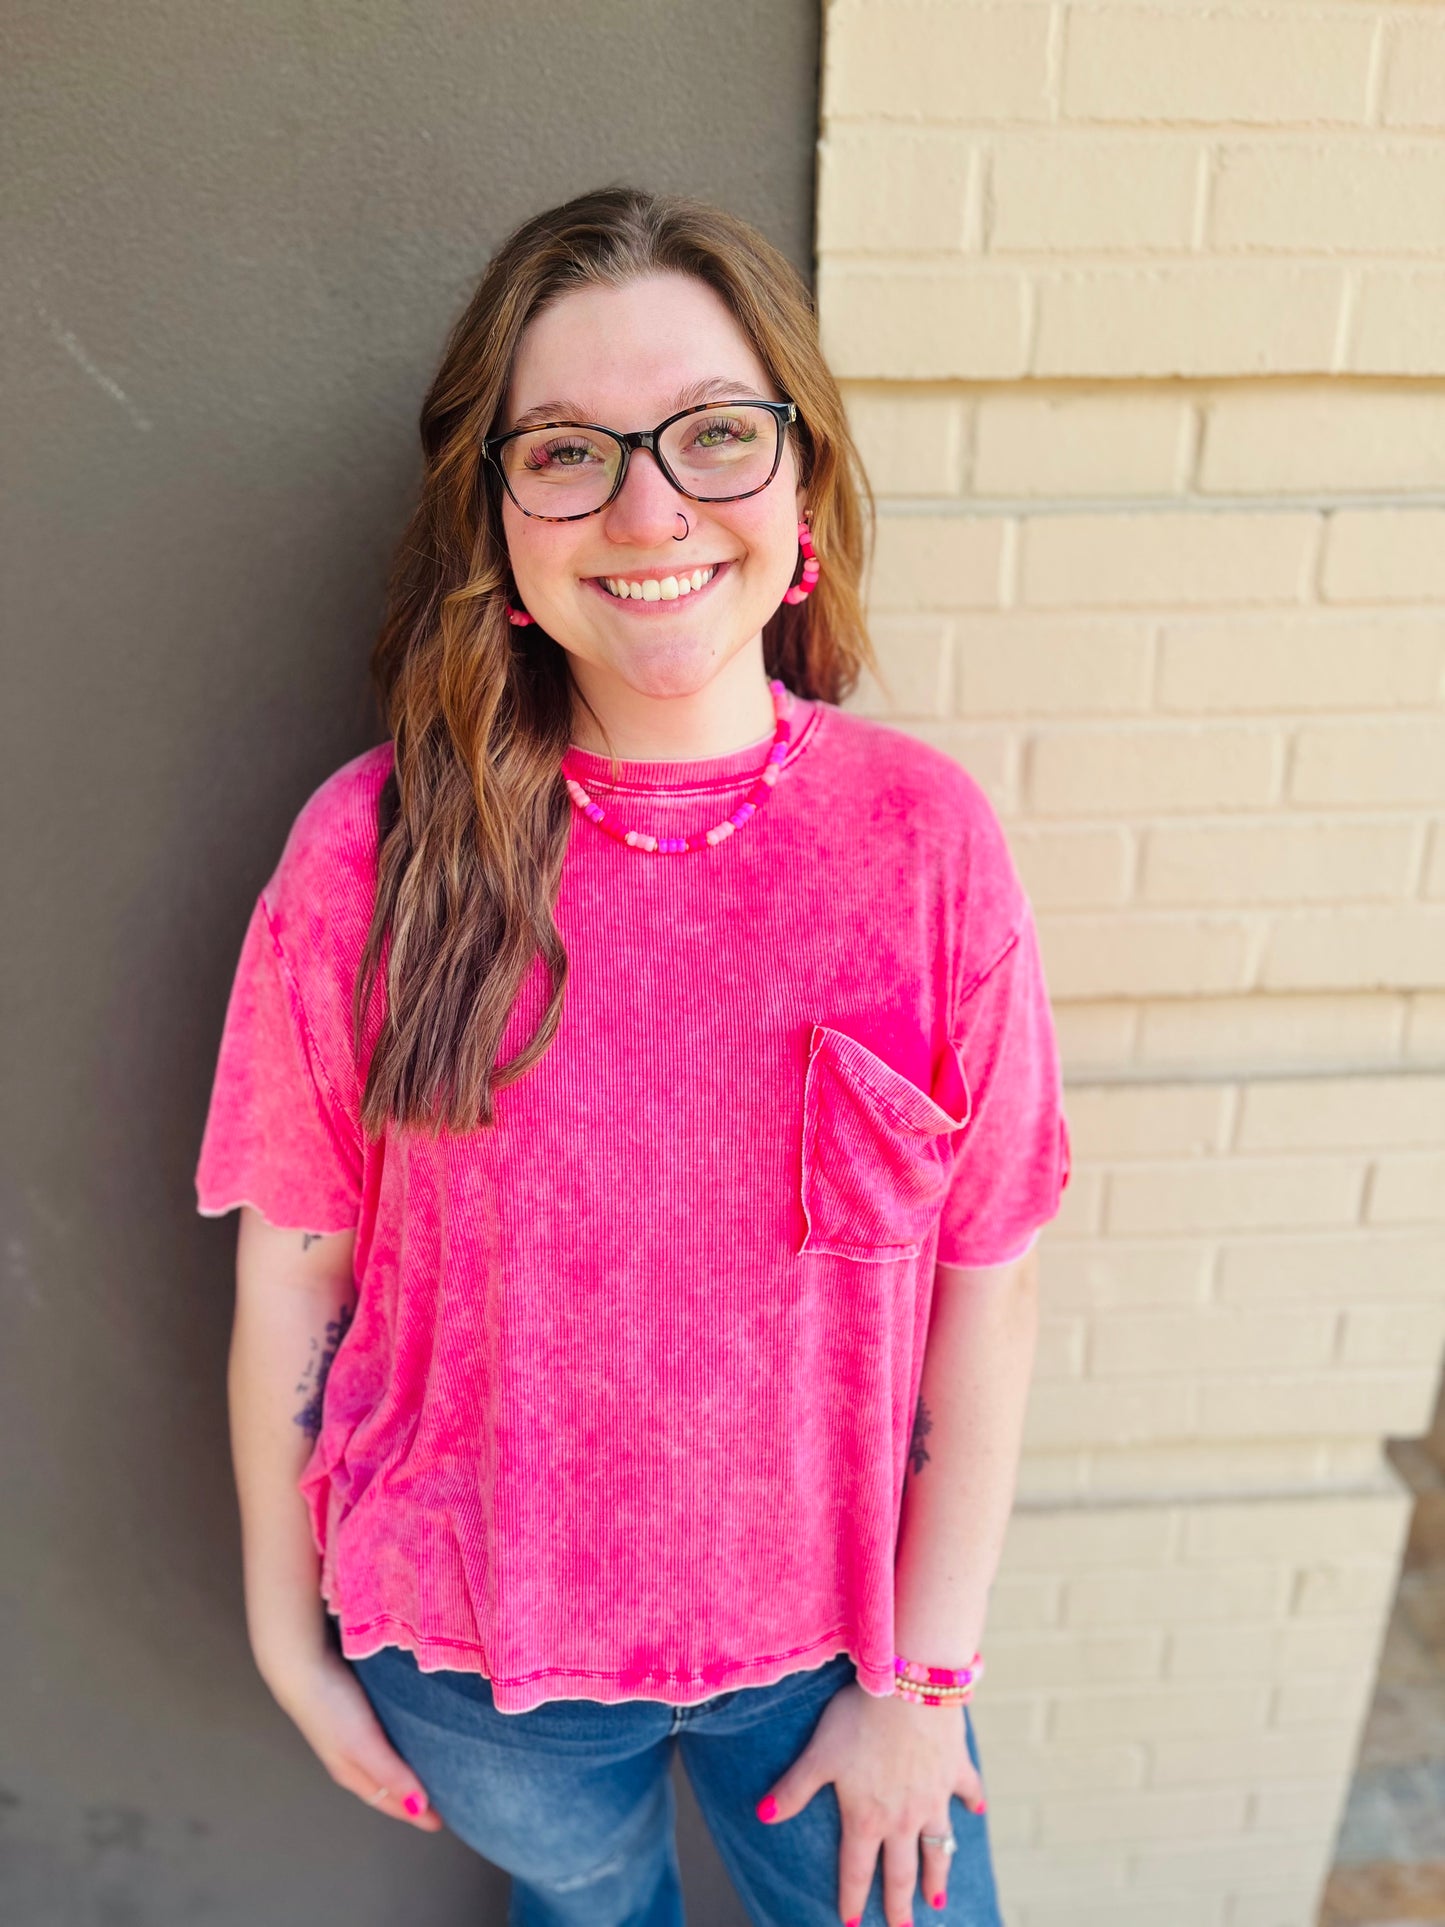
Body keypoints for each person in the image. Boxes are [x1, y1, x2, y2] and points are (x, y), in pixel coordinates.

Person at [195, 185, 1071, 1927]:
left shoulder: (917, 842)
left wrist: (925, 1682)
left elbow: (992, 1279)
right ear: (497, 518)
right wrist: (286, 1637)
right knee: (591, 1907)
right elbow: (294, 1282)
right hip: (476, 1658)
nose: (648, 508)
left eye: (713, 433)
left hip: (837, 1651)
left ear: (801, 475)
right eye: (568, 453)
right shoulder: (371, 853)